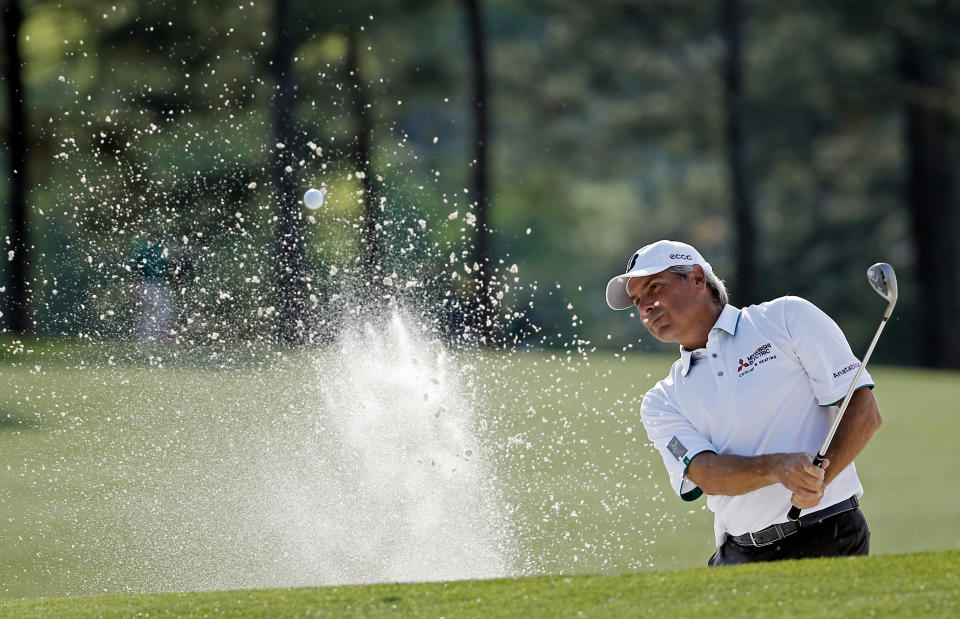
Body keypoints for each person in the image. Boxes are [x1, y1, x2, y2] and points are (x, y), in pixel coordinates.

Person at [604, 240, 882, 565]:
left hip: (828, 534)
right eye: (638, 301)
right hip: (737, 556)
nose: (646, 307)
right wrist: (777, 467)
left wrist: (820, 478)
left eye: (655, 288)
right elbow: (704, 473)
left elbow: (864, 410)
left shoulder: (785, 319)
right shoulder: (662, 399)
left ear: (696, 278)